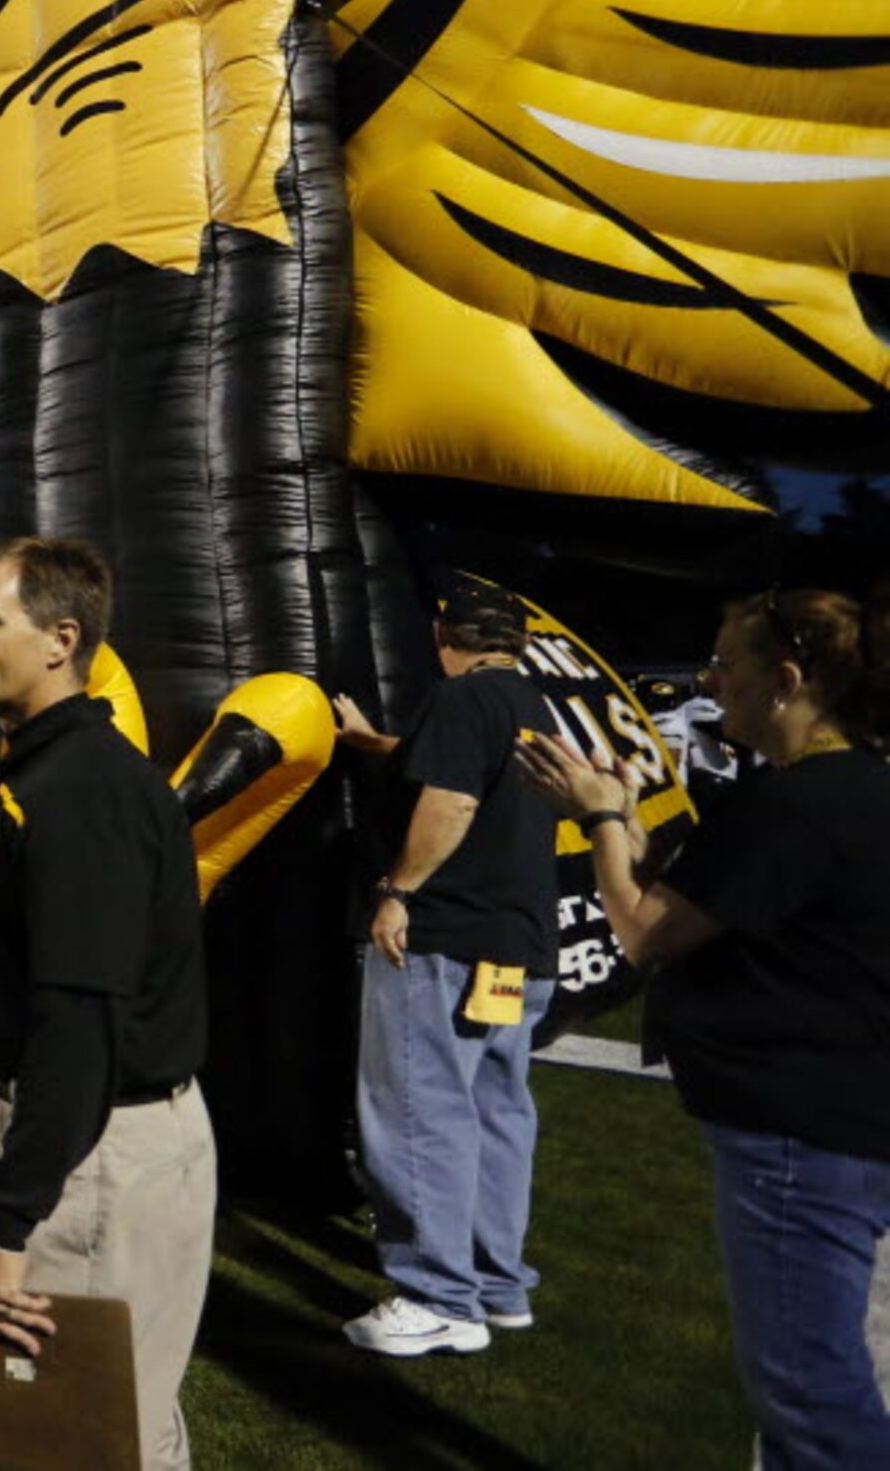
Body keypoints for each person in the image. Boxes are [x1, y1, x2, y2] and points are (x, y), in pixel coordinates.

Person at [522, 586, 890, 1467]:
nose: (708, 678)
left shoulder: (796, 801)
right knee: (821, 1366)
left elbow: (646, 930)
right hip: (845, 1114)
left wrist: (604, 814)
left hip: (798, 1133)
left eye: (728, 662)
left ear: (786, 680)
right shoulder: (854, 787)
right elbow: (729, 901)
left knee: (804, 1386)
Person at [0, 536, 209, 1471]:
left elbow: (79, 1021)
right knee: (128, 1428)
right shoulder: (61, 769)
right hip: (116, 1132)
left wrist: (4, 1226)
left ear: (61, 639)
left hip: (97, 1147)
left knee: (68, 1439)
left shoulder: (79, 787)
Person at [331, 576, 559, 1357]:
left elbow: (452, 799)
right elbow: (461, 769)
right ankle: (497, 1286)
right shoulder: (532, 706)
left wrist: (399, 890)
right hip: (516, 949)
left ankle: (437, 1297)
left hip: (443, 941)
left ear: (443, 636)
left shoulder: (460, 700)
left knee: (417, 1109)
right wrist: (374, 747)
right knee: (494, 1110)